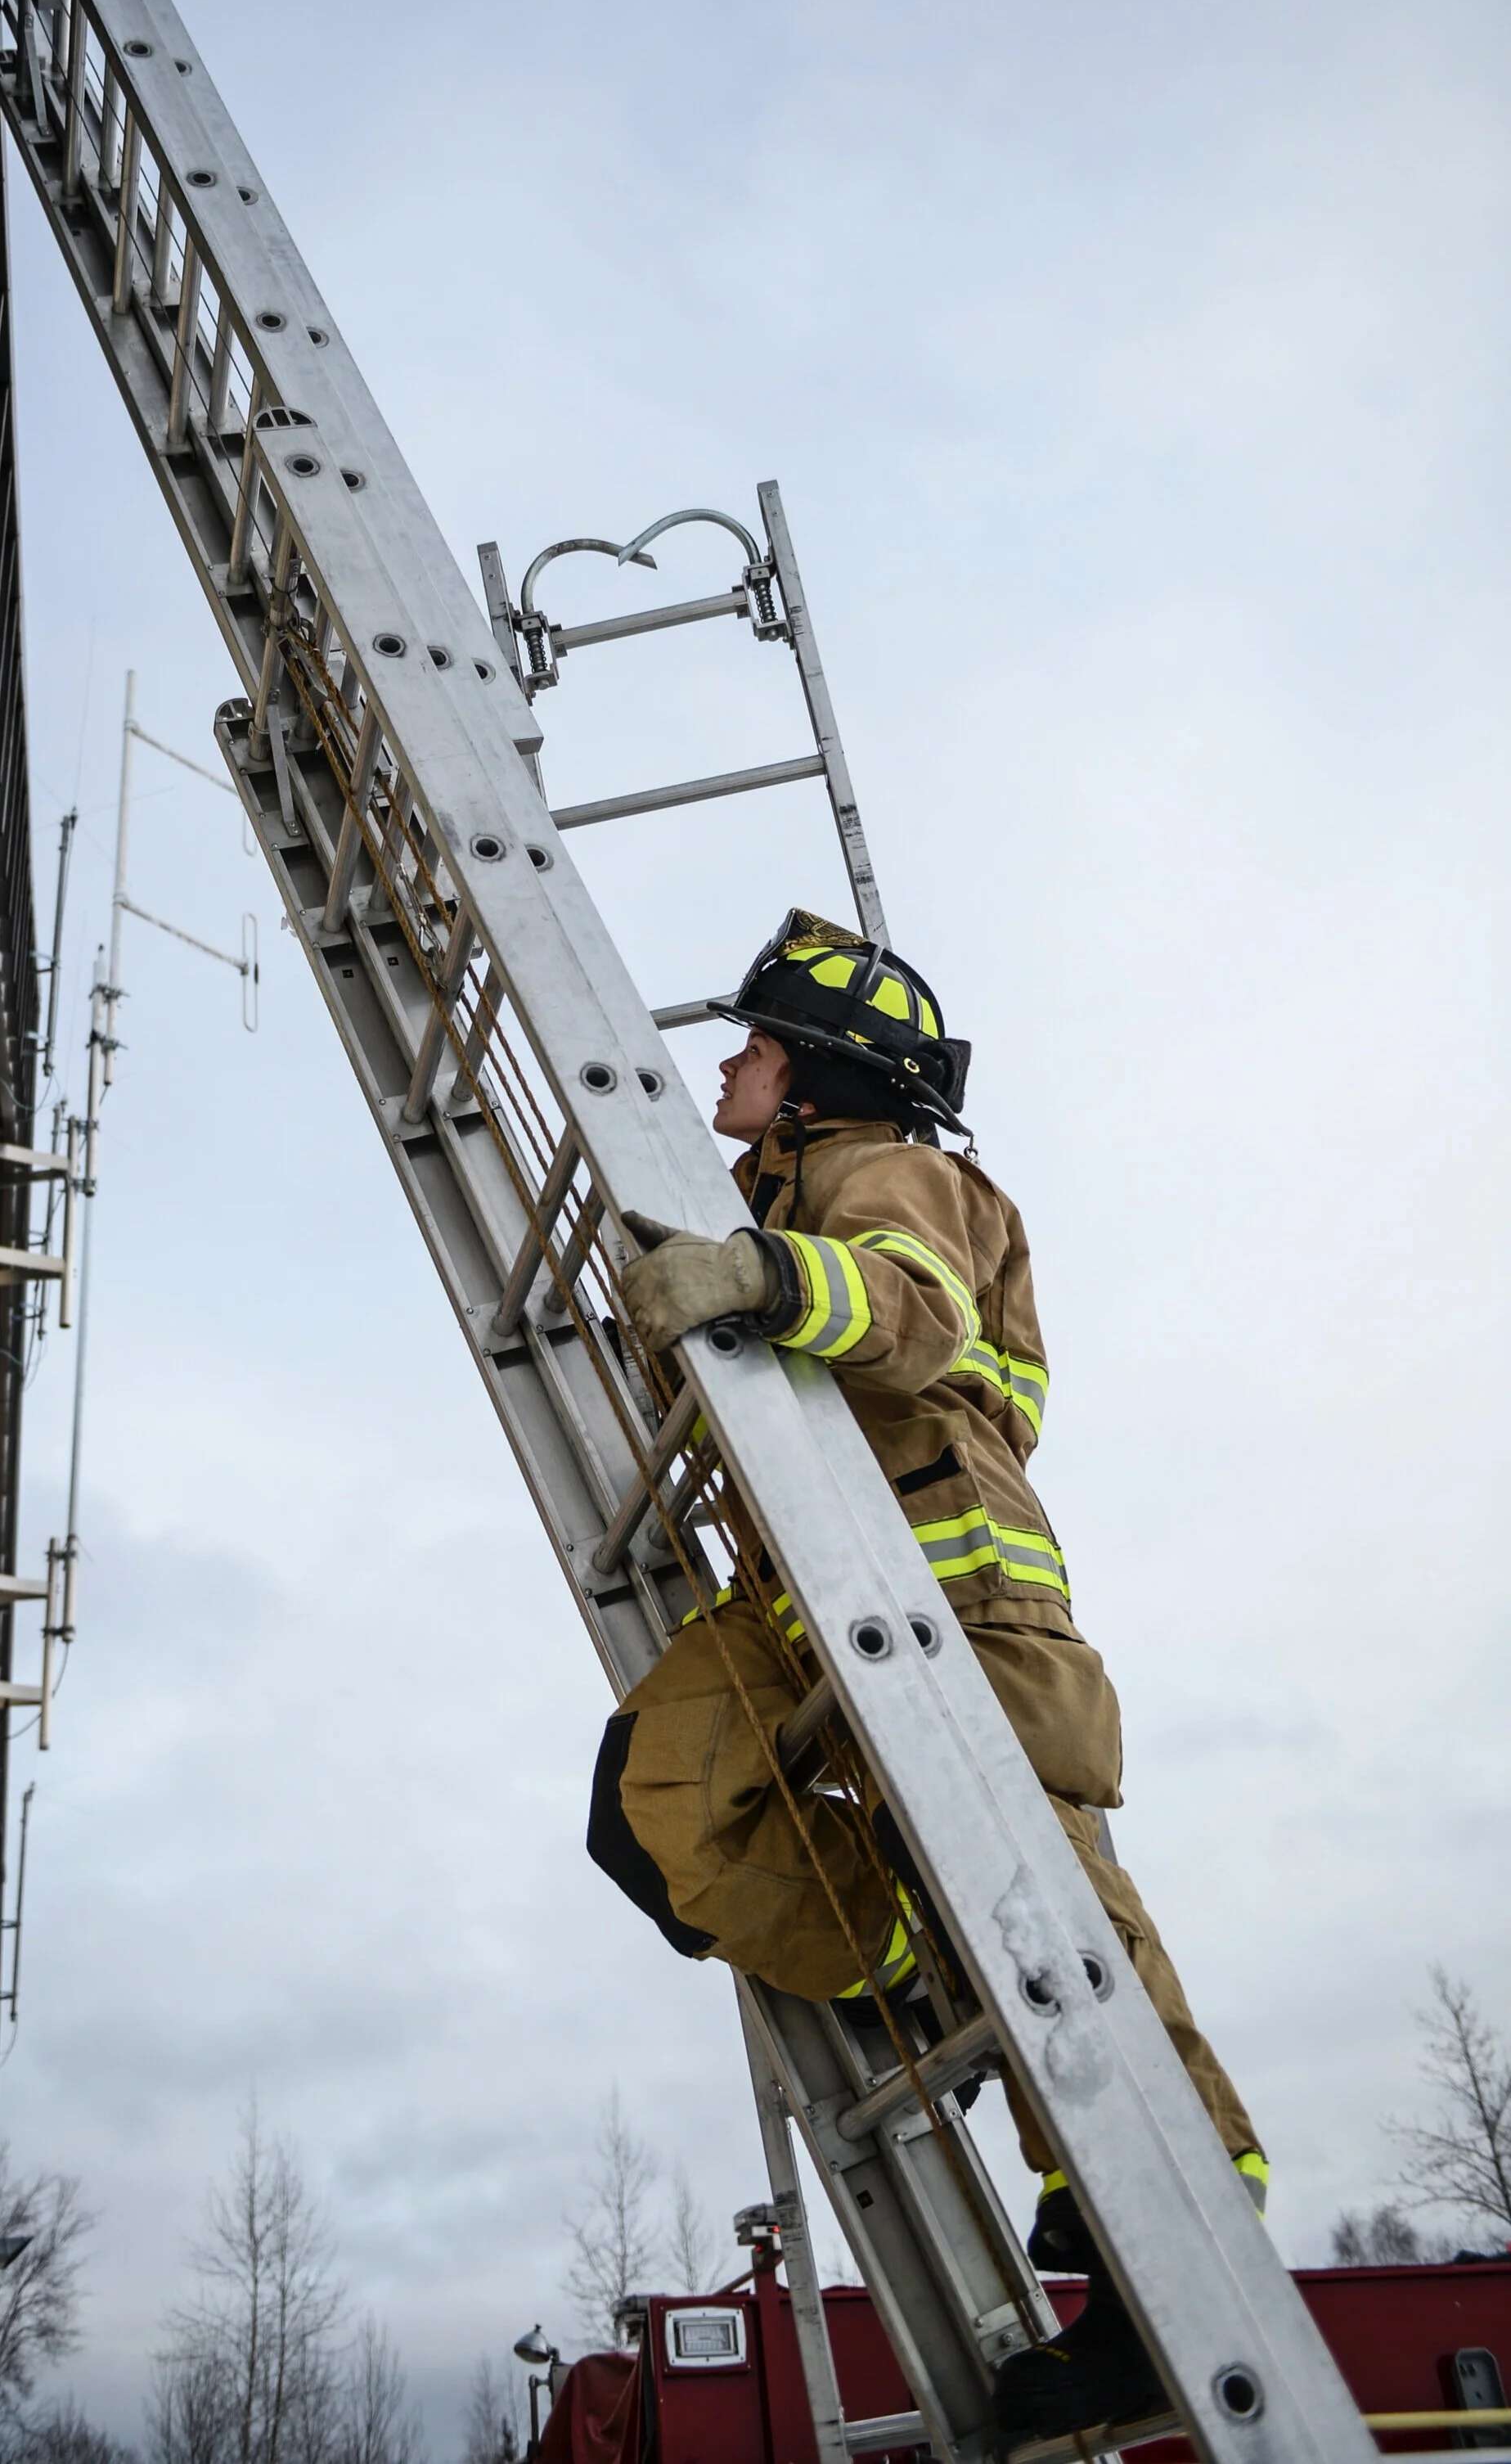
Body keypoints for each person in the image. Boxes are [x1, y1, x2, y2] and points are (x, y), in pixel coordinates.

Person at [588, 908, 1266, 2438]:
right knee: (651, 1811)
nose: (729, 1063)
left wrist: (756, 1277)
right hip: (816, 1596)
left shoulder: (885, 1171)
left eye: (756, 1044)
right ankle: (906, 1950)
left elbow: (902, 1315)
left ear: (823, 1076)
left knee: (1064, 1933)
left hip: (956, 1603)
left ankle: (1167, 2273)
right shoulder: (797, 1177)